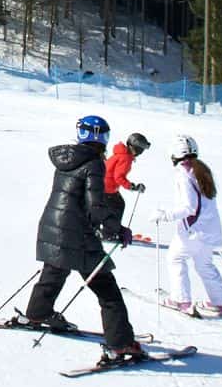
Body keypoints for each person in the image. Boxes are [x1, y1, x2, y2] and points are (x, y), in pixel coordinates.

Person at [19, 114, 145, 366]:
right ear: (100, 136)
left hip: (52, 227)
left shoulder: (67, 159)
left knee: (54, 271)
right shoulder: (94, 164)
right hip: (77, 234)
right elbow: (95, 205)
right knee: (107, 288)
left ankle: (37, 313)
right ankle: (120, 344)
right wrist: (117, 228)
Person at [158, 137, 222, 315]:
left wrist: (165, 215)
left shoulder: (183, 175)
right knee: (204, 265)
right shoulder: (201, 170)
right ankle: (220, 303)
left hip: (193, 232)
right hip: (209, 231)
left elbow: (189, 207)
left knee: (175, 259)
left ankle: (180, 300)